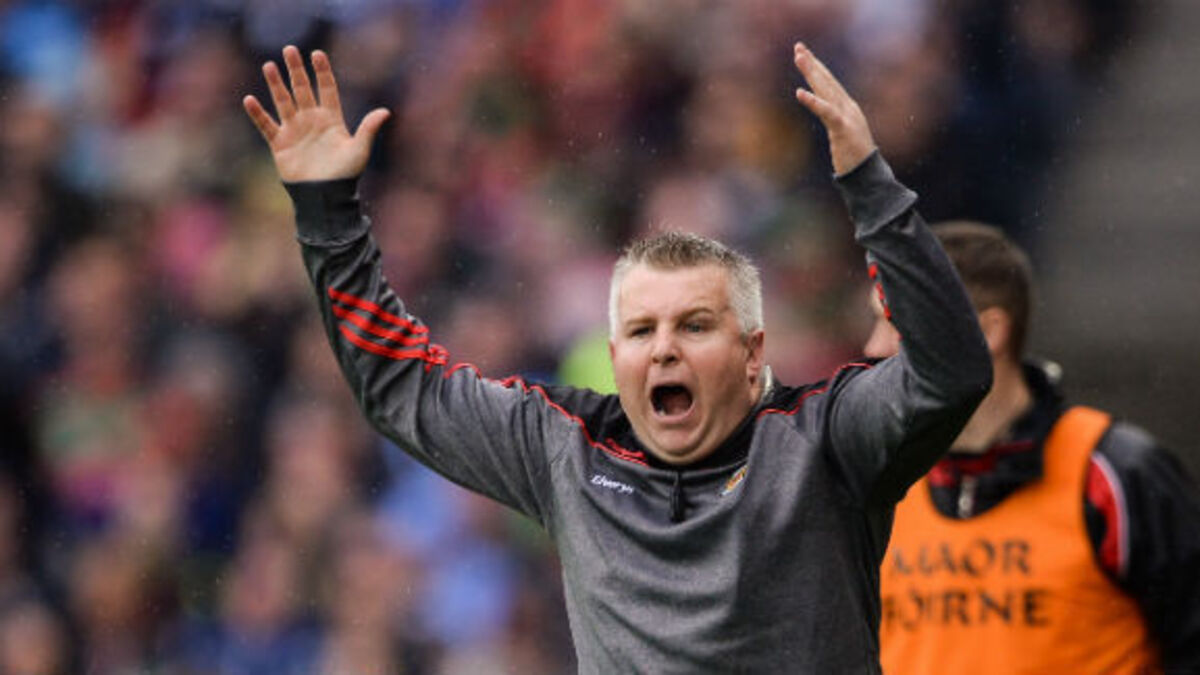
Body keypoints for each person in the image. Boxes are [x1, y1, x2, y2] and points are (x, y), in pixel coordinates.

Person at [241, 43, 991, 672]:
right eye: (640, 331)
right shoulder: (565, 447)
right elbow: (401, 386)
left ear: (751, 351)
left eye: (694, 325)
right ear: (614, 354)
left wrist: (870, 187)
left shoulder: (826, 439)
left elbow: (953, 371)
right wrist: (328, 213)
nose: (662, 347)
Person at [865, 221, 1200, 674]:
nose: (873, 347)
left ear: (987, 332)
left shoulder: (1113, 473)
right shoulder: (872, 479)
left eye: (895, 323)